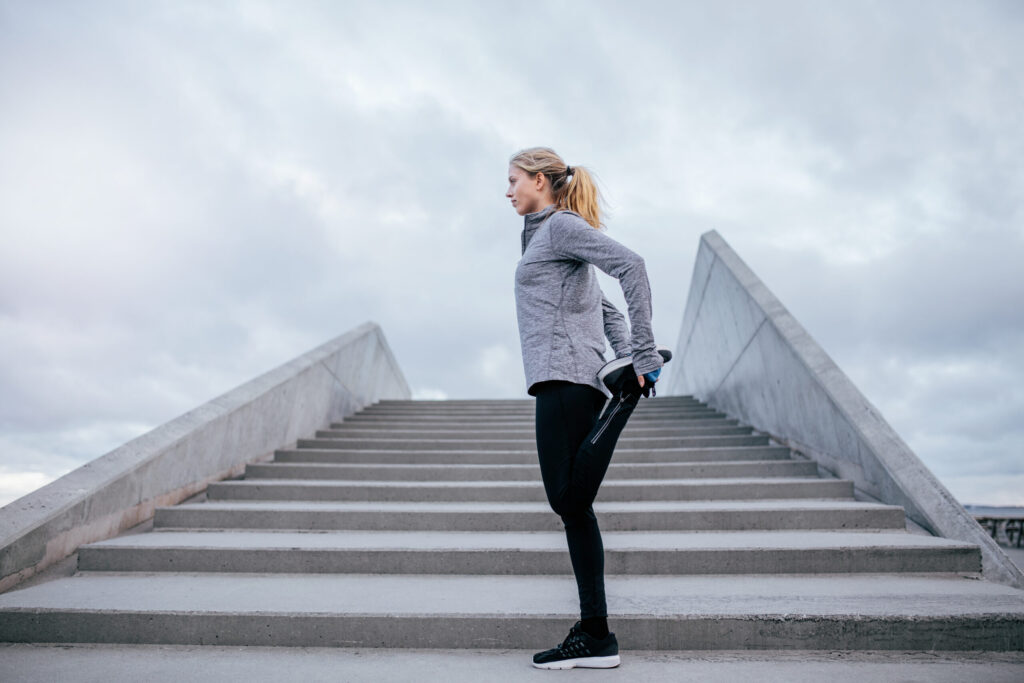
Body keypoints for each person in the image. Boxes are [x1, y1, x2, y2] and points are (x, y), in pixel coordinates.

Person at [507, 147, 666, 670]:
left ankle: (623, 401)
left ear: (539, 180)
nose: (507, 191)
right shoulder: (541, 237)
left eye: (513, 180)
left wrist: (640, 354)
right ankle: (596, 635)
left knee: (567, 500)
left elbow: (631, 265)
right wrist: (624, 353)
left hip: (566, 377)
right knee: (575, 509)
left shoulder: (559, 227)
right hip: (563, 376)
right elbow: (600, 304)